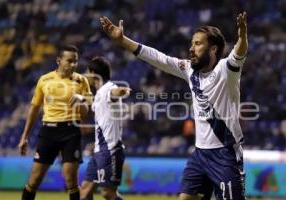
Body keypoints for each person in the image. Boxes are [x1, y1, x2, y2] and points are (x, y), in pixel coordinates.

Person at [100, 11, 248, 200]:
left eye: (198, 43)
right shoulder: (189, 70)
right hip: (200, 153)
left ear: (213, 49)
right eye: (191, 43)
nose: (191, 48)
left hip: (225, 153)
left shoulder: (226, 71)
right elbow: (159, 58)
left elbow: (239, 53)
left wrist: (242, 36)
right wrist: (123, 41)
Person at [18, 45, 92, 200]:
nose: (73, 65)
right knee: (35, 179)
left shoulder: (82, 81)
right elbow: (34, 109)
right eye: (69, 61)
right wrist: (24, 137)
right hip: (49, 131)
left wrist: (82, 100)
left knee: (70, 179)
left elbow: (85, 114)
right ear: (59, 61)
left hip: (71, 131)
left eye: (76, 61)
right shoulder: (44, 80)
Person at [80, 56, 130, 200]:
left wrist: (122, 91)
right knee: (84, 193)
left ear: (94, 73)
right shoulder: (99, 94)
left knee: (108, 193)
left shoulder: (109, 88)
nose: (84, 75)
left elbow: (114, 93)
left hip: (110, 150)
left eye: (86, 72)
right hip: (98, 151)